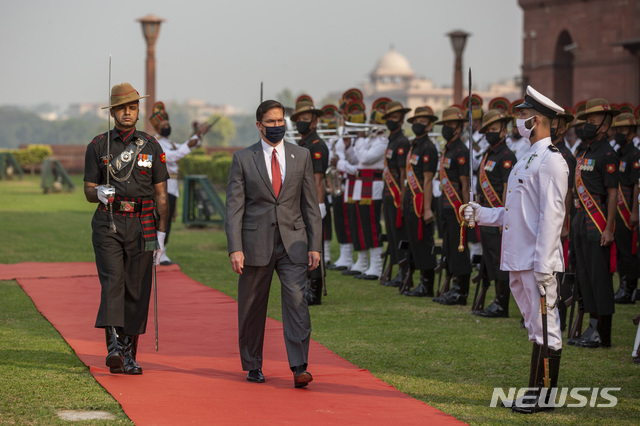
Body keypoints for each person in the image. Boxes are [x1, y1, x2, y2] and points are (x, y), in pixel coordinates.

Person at [464, 85, 568, 413]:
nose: (518, 121)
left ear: (536, 120)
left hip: (537, 261)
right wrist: (480, 214)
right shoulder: (526, 159)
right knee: (533, 326)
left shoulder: (551, 162)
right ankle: (534, 392)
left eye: (522, 115)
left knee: (546, 326)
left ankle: (545, 398)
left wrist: (543, 262)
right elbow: (515, 215)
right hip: (519, 257)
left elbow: (552, 217)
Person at [225, 99, 322, 388]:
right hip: (255, 244)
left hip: (294, 243)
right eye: (271, 122)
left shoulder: (301, 156)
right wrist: (235, 248)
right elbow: (234, 208)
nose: (278, 126)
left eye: (281, 121)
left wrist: (315, 245)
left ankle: (299, 366)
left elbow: (310, 204)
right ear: (259, 125)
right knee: (253, 306)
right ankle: (253, 364)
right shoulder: (243, 159)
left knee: (296, 302)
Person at [83, 82, 169, 375]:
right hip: (109, 221)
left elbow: (161, 195)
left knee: (137, 288)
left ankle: (130, 354)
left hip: (144, 224)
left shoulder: (151, 146)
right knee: (113, 283)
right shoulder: (98, 146)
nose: (128, 112)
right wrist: (99, 193)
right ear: (113, 112)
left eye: (132, 107)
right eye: (122, 108)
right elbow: (88, 190)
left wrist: (161, 235)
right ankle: (114, 349)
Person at [571, 98, 620, 349]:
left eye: (591, 122)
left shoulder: (608, 154)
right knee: (585, 275)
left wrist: (609, 227)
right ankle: (591, 328)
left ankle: (603, 332)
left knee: (599, 277)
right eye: (586, 121)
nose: (586, 126)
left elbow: (612, 193)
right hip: (580, 219)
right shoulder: (583, 150)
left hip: (597, 220)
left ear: (603, 125)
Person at [149, 101, 212, 265]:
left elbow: (185, 146)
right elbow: (174, 156)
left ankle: (161, 251)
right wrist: (195, 138)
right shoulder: (156, 144)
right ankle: (157, 253)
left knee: (167, 221)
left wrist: (198, 134)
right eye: (164, 124)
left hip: (172, 187)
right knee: (161, 220)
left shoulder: (169, 142)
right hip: (163, 186)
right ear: (157, 127)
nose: (167, 126)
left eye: (168, 123)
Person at [472, 109, 517, 317]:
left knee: (500, 261)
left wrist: (504, 220)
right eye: (487, 129)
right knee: (490, 258)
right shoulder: (488, 153)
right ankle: (496, 299)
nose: (490, 132)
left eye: (494, 129)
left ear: (503, 131)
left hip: (497, 215)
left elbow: (508, 189)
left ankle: (501, 303)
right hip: (486, 214)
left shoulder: (507, 156)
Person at [290, 96, 329, 305]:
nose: (301, 123)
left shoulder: (316, 145)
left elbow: (318, 179)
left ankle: (315, 289)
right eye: (298, 119)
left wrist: (319, 206)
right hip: (302, 204)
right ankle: (306, 286)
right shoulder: (304, 143)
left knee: (314, 247)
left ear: (314, 122)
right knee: (304, 247)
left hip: (313, 205)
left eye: (305, 119)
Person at [433, 106, 472, 305]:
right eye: (445, 124)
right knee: (448, 246)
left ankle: (460, 290)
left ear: (458, 127)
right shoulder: (447, 148)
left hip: (457, 208)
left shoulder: (461, 150)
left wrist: (465, 209)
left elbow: (465, 183)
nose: (447, 128)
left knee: (459, 249)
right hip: (445, 205)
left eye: (450, 124)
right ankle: (452, 286)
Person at [402, 106, 439, 297]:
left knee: (424, 243)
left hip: (421, 202)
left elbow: (427, 180)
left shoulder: (428, 148)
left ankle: (427, 284)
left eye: (422, 122)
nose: (418, 124)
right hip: (411, 199)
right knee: (414, 243)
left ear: (430, 125)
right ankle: (419, 281)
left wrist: (426, 209)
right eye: (416, 121)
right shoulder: (413, 145)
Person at [380, 101, 411, 287]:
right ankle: (395, 268)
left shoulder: (402, 142)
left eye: (394, 117)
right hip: (388, 194)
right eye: (389, 117)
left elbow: (402, 173)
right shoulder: (392, 140)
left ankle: (403, 271)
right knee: (391, 235)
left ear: (401, 119)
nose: (391, 120)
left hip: (397, 195)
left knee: (400, 236)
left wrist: (402, 198)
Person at [610, 113, 640, 304]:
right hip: (618, 211)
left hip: (628, 208)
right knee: (620, 250)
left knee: (629, 252)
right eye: (617, 130)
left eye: (622, 130)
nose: (619, 133)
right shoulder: (618, 152)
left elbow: (637, 184)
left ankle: (629, 289)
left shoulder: (634, 155)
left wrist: (635, 212)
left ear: (631, 132)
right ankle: (621, 286)